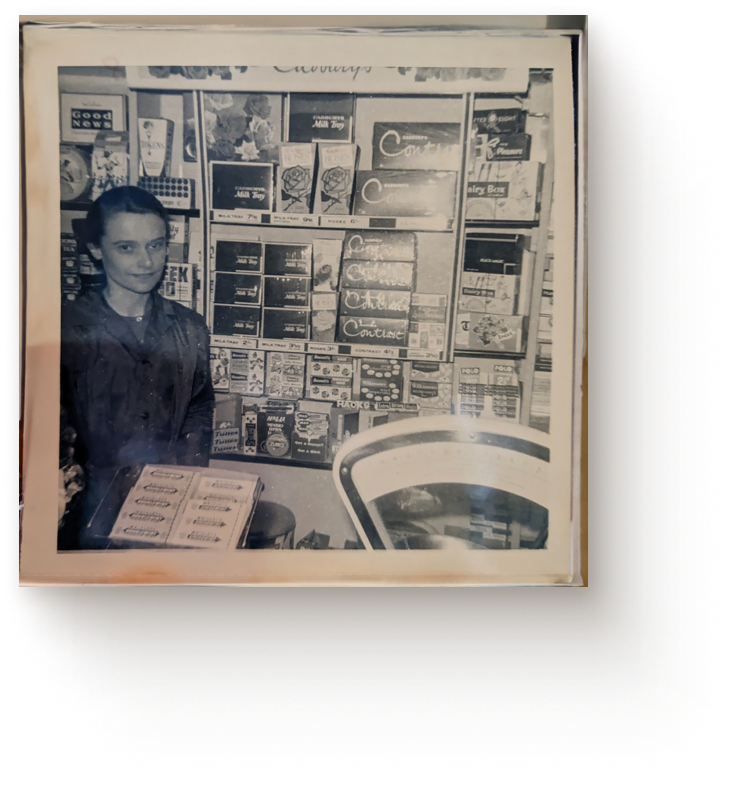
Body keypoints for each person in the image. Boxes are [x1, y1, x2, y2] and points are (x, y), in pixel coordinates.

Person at [60, 186, 215, 540]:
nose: (146, 262)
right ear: (97, 250)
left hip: (167, 506)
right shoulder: (66, 329)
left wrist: (188, 482)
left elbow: (199, 410)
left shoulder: (189, 328)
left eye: (156, 245)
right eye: (126, 247)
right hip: (88, 515)